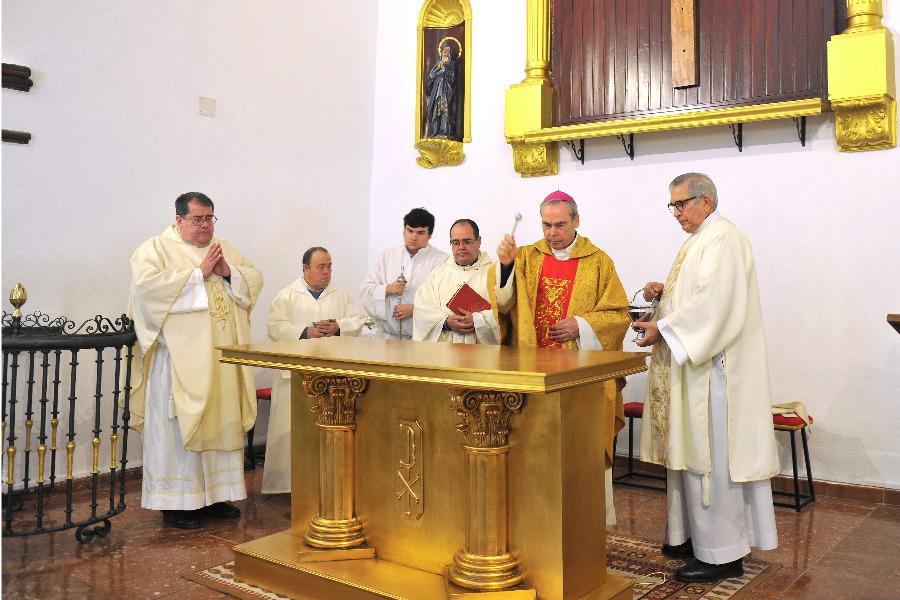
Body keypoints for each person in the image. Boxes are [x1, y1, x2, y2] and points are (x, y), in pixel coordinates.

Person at [633, 173, 779, 583]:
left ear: (706, 201)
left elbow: (716, 305)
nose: (676, 213)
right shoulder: (697, 240)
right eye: (672, 206)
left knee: (711, 459)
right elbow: (695, 299)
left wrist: (663, 328)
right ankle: (690, 538)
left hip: (717, 374)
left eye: (682, 204)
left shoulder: (724, 238)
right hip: (695, 366)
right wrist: (664, 296)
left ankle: (723, 554)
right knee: (691, 456)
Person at [127, 192, 263, 529]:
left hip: (220, 359)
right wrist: (196, 275)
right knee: (177, 426)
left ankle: (216, 496)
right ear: (179, 220)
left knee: (221, 418)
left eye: (209, 218)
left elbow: (254, 280)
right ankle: (177, 504)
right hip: (178, 362)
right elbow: (147, 293)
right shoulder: (154, 250)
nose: (204, 226)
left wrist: (229, 272)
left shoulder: (224, 248)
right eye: (197, 219)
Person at [496, 190, 630, 525]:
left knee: (578, 451)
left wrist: (581, 325)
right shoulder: (526, 257)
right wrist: (505, 266)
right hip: (532, 372)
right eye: (546, 224)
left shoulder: (598, 261)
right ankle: (533, 518)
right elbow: (502, 303)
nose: (552, 232)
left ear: (576, 222)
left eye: (559, 225)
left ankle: (584, 521)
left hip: (578, 379)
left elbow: (617, 314)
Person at [262, 247, 367, 494]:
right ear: (305, 269)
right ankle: (288, 486)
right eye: (321, 267)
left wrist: (338, 327)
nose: (327, 272)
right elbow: (274, 327)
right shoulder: (287, 295)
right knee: (292, 432)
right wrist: (304, 332)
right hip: (295, 375)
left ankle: (328, 484)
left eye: (330, 266)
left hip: (332, 376)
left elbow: (359, 321)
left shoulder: (341, 294)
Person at [359, 208, 448, 340]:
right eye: (410, 230)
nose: (413, 237)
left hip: (424, 341)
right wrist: (387, 289)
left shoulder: (442, 261)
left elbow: (446, 302)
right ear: (403, 230)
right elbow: (364, 291)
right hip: (386, 338)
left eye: (420, 233)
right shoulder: (387, 257)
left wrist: (416, 310)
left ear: (430, 235)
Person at [413, 219, 502, 344]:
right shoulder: (438, 274)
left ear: (479, 241)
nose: (461, 247)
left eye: (467, 241)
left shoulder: (496, 274)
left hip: (481, 356)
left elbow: (506, 314)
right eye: (455, 242)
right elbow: (421, 308)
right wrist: (445, 322)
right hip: (444, 355)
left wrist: (477, 320)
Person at [425, 43, 458, 139]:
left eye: (447, 50)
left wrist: (445, 68)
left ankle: (445, 131)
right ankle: (436, 131)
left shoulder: (451, 63)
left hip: (446, 91)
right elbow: (431, 75)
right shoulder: (438, 63)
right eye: (444, 49)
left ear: (449, 53)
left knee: (445, 110)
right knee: (436, 110)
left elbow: (452, 78)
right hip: (437, 91)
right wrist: (439, 70)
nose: (445, 51)